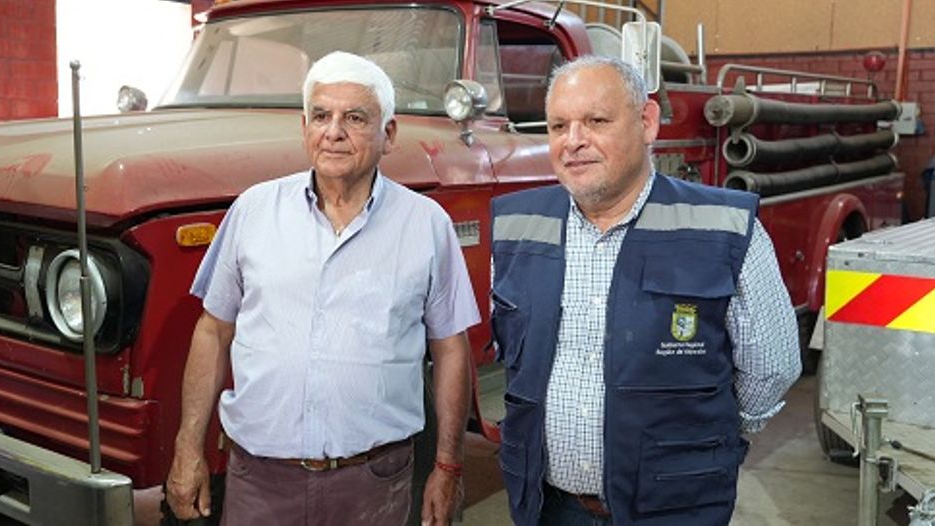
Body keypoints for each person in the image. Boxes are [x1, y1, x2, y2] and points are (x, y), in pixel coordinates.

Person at [166, 51, 479, 526]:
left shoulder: (425, 224)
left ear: (389, 134)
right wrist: (187, 448)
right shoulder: (253, 211)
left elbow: (451, 349)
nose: (333, 132)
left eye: (355, 118)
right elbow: (213, 332)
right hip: (260, 482)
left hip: (374, 482)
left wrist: (448, 465)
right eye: (320, 116)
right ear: (304, 127)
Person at [490, 56, 801, 525]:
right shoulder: (517, 227)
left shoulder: (724, 228)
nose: (573, 141)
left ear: (647, 122)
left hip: (675, 506)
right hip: (547, 506)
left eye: (596, 121)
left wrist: (708, 430)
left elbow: (772, 368)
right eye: (558, 126)